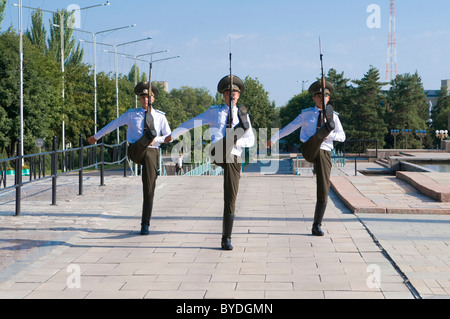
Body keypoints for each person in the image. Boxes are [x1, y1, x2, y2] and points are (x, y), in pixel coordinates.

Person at [164, 75, 255, 250]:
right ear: (223, 95)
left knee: (231, 196)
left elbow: (250, 140)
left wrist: (237, 142)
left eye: (235, 93)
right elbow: (192, 123)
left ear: (239, 96)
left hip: (234, 155)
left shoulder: (244, 116)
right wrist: (173, 135)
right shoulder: (214, 112)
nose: (232, 96)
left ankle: (226, 237)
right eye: (229, 93)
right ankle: (228, 141)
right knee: (225, 141)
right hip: (217, 151)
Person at [87, 82, 171, 235]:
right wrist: (97, 136)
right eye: (143, 97)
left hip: (151, 151)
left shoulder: (160, 116)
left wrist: (156, 140)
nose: (146, 100)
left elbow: (168, 137)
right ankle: (147, 140)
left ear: (153, 98)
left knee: (149, 188)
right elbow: (114, 124)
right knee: (145, 140)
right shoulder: (131, 114)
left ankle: (145, 224)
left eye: (148, 97)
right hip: (135, 150)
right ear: (139, 99)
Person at [267, 80, 346, 236]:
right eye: (317, 96)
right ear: (314, 99)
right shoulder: (306, 114)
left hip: (324, 151)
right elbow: (290, 127)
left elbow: (342, 136)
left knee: (323, 188)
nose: (320, 99)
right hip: (309, 148)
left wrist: (328, 135)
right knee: (315, 137)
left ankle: (317, 224)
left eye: (324, 96)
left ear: (328, 98)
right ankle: (319, 136)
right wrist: (274, 138)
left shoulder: (333, 117)